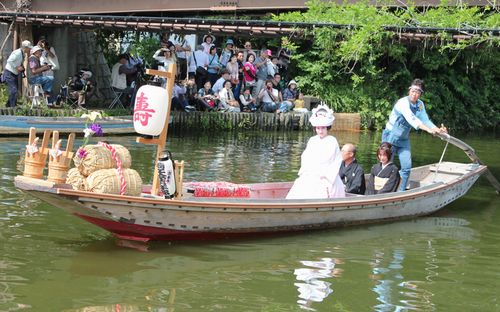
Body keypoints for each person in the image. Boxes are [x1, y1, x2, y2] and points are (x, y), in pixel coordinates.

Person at [382, 79, 447, 191]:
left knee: (406, 168)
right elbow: (412, 120)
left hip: (403, 139)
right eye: (413, 91)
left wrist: (438, 130)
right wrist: (428, 130)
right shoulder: (403, 103)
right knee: (387, 166)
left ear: (420, 94)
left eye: (417, 92)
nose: (414, 94)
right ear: (409, 91)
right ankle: (384, 191)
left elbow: (425, 120)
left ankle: (400, 192)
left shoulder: (420, 105)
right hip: (390, 137)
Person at [286, 104, 345, 199]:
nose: (320, 131)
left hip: (327, 176)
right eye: (318, 128)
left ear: (327, 128)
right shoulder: (312, 140)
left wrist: (322, 173)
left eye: (323, 128)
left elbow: (333, 160)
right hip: (311, 173)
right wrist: (308, 171)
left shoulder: (332, 140)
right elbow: (305, 157)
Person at [3, 40, 32, 107]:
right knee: (14, 90)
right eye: (29, 48)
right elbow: (9, 61)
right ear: (25, 47)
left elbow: (18, 62)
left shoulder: (23, 54)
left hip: (14, 74)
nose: (30, 49)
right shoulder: (17, 53)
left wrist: (21, 67)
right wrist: (17, 67)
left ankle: (8, 105)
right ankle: (13, 107)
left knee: (14, 90)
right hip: (9, 73)